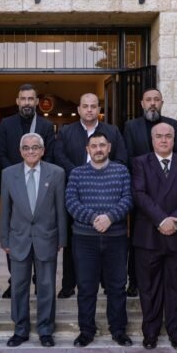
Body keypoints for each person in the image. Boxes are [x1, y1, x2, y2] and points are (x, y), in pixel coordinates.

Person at [131, 123, 177, 350]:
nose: (163, 140)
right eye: (159, 136)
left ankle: (175, 331)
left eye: (168, 136)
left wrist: (173, 220)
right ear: (152, 140)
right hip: (148, 236)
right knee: (149, 288)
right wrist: (161, 220)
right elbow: (139, 195)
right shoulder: (140, 163)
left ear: (174, 139)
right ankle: (150, 332)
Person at [54, 92, 127, 299]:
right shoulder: (66, 131)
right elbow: (60, 156)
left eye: (93, 106)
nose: (89, 110)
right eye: (85, 106)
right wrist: (81, 176)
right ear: (78, 109)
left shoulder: (111, 131)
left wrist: (104, 176)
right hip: (76, 193)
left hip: (108, 196)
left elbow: (121, 158)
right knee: (74, 241)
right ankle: (69, 283)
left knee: (107, 243)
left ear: (98, 109)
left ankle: (106, 282)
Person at [65, 131, 134, 347]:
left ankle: (118, 329)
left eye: (102, 145)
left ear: (109, 147)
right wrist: (94, 218)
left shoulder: (121, 171)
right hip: (85, 239)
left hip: (116, 238)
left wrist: (110, 218)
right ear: (87, 149)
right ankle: (86, 330)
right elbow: (70, 202)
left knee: (117, 286)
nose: (98, 149)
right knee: (86, 286)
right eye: (93, 146)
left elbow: (128, 198)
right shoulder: (77, 173)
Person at [0, 133, 67, 348]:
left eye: (35, 147)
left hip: (47, 238)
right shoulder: (8, 174)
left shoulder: (56, 173)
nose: (31, 151)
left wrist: (61, 238)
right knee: (19, 286)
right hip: (18, 239)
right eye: (27, 148)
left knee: (46, 286)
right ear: (20, 151)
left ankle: (46, 330)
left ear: (43, 150)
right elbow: (5, 211)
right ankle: (20, 329)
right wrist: (4, 240)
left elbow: (60, 209)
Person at [122, 88, 177, 297]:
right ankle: (134, 280)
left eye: (156, 100)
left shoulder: (172, 125)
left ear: (162, 102)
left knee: (166, 238)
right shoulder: (131, 126)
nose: (152, 103)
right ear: (142, 103)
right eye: (148, 99)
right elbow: (128, 158)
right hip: (142, 193)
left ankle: (165, 278)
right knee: (138, 238)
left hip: (169, 191)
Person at [0, 83, 56, 298]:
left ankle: (41, 282)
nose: (27, 103)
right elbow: (0, 153)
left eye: (31, 99)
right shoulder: (5, 124)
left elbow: (50, 156)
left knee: (39, 233)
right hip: (14, 188)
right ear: (17, 101)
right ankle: (16, 281)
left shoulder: (47, 126)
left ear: (37, 103)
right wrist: (15, 177)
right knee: (16, 234)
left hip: (41, 188)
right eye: (24, 99)